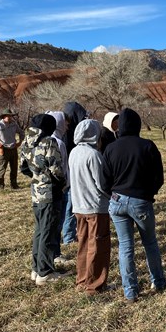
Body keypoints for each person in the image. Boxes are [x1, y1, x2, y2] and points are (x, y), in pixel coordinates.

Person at [103, 108, 166, 302]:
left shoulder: (111, 148)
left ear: (120, 126)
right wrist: (148, 194)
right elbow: (159, 177)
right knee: (150, 243)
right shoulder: (147, 146)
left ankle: (130, 291)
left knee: (125, 247)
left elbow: (104, 181)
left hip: (117, 202)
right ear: (138, 125)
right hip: (141, 201)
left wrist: (114, 195)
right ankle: (158, 281)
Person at [20, 113, 67, 285]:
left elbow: (23, 167)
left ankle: (36, 268)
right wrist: (61, 183)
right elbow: (57, 169)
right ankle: (45, 272)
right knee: (48, 230)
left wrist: (37, 177)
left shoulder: (27, 141)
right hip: (51, 192)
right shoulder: (49, 141)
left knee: (40, 230)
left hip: (36, 191)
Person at [69, 119, 111, 296]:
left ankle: (82, 279)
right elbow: (101, 183)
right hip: (95, 206)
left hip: (78, 206)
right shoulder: (93, 155)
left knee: (83, 244)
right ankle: (94, 285)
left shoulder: (74, 152)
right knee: (98, 245)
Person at [45, 110, 72, 266]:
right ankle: (55, 253)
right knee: (57, 223)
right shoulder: (58, 143)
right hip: (59, 189)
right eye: (65, 123)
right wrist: (64, 185)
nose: (67, 127)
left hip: (47, 189)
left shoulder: (46, 140)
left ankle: (52, 252)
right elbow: (60, 168)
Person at [60, 101, 89, 244]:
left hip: (73, 171)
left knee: (72, 204)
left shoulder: (68, 129)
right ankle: (68, 236)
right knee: (70, 205)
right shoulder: (66, 133)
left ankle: (72, 232)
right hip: (70, 173)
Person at [0, 108, 24, 189]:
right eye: (7, 116)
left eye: (10, 116)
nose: (9, 117)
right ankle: (0, 185)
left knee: (14, 168)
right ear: (3, 117)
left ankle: (14, 185)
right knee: (2, 168)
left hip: (13, 149)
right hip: (3, 149)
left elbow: (21, 132)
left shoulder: (14, 125)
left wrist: (20, 142)